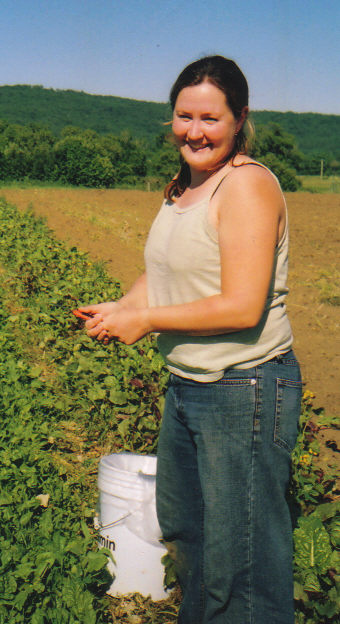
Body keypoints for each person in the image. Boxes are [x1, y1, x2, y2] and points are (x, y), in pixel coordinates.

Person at [79, 55, 302, 624]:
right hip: (190, 386)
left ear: (240, 118)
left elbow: (242, 304)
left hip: (244, 389)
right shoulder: (186, 183)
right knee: (193, 538)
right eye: (184, 116)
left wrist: (149, 322)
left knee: (243, 563)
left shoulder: (246, 186)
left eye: (210, 118)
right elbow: (164, 269)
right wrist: (123, 308)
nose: (195, 131)